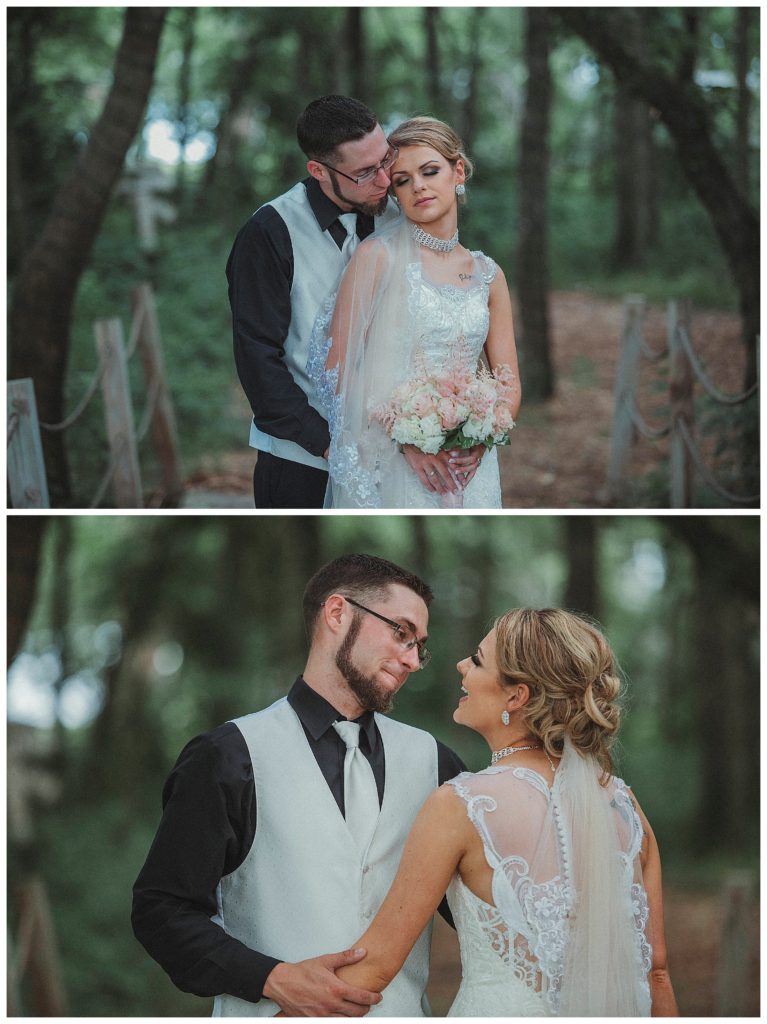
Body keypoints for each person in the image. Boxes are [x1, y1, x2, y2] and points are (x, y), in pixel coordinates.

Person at [131, 553, 465, 1016]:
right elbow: (162, 910)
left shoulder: (436, 763)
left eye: (419, 645)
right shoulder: (228, 755)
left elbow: (480, 913)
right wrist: (272, 977)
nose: (412, 660)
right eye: (401, 632)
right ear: (337, 613)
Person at [323, 608, 679, 1016]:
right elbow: (657, 973)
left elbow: (376, 967)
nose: (461, 665)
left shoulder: (461, 805)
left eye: (476, 659)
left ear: (516, 696)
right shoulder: (623, 805)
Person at [308, 117, 521, 508]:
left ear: (458, 172)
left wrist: (480, 438)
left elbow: (508, 385)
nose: (418, 186)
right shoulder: (377, 257)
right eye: (403, 180)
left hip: (473, 468)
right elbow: (337, 371)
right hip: (397, 464)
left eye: (430, 171)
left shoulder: (490, 276)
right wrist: (405, 442)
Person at [227, 95, 402, 509]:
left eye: (386, 159)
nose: (384, 180)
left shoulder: (399, 215)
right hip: (300, 459)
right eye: (364, 172)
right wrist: (329, 445)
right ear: (319, 170)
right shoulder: (269, 233)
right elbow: (257, 357)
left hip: (396, 457)